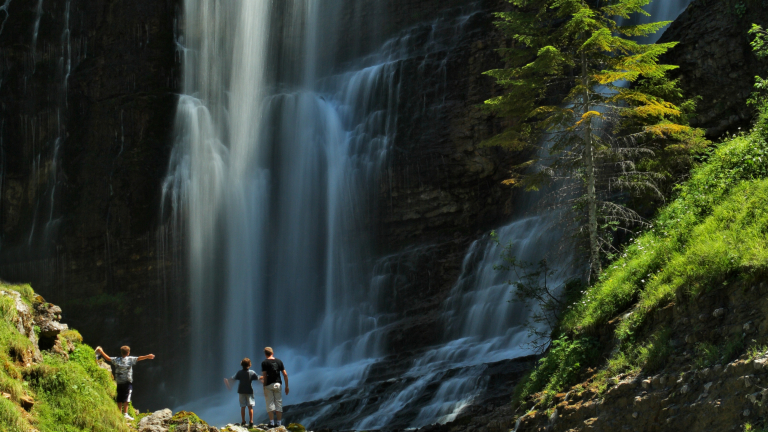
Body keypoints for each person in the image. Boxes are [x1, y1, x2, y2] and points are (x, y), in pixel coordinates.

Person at [94, 345, 155, 421]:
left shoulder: (117, 359)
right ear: (128, 353)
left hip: (119, 382)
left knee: (119, 397)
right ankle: (125, 414)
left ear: (121, 352)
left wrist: (101, 351)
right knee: (127, 397)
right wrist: (147, 356)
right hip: (127, 382)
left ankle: (119, 413)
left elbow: (108, 358)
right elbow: (139, 358)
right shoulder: (129, 359)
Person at [225, 357, 262, 428]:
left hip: (241, 391)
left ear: (241, 365)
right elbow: (258, 377)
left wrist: (227, 382)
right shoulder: (252, 372)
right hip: (249, 391)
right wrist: (264, 377)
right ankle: (251, 421)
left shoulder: (239, 372)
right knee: (250, 406)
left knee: (242, 406)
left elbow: (232, 379)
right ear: (250, 364)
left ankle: (243, 421)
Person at [261, 347, 289, 428]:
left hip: (269, 385)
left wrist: (264, 387)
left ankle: (272, 422)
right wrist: (287, 386)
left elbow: (265, 376)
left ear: (265, 354)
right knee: (278, 403)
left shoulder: (264, 362)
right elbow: (285, 374)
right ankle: (279, 423)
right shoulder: (279, 361)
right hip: (278, 384)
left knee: (269, 403)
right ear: (272, 353)